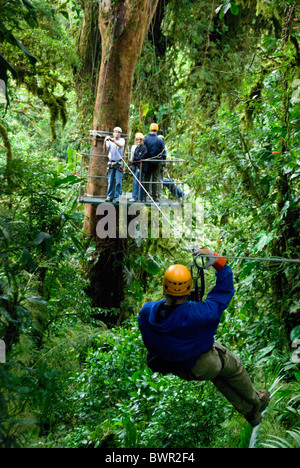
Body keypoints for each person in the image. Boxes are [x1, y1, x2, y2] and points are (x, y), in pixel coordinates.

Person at [138, 248, 270, 427]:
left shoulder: (146, 313)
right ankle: (257, 401)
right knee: (233, 367)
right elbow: (223, 292)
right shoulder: (200, 314)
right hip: (202, 363)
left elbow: (161, 327)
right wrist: (217, 262)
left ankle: (252, 415)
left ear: (164, 287)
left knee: (219, 377)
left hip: (179, 368)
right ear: (189, 288)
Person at [144, 123, 166, 202]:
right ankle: (154, 196)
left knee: (147, 178)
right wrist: (163, 161)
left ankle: (145, 195)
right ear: (157, 130)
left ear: (150, 129)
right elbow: (163, 152)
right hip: (157, 162)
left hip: (147, 162)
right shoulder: (160, 140)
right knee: (155, 179)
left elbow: (143, 150)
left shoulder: (145, 139)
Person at [104, 127, 125, 202]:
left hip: (118, 163)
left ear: (120, 134)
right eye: (115, 132)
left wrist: (114, 140)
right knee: (110, 181)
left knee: (118, 182)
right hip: (111, 162)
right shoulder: (109, 141)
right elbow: (105, 149)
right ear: (113, 133)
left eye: (118, 132)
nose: (117, 133)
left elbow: (121, 145)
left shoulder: (122, 140)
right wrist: (105, 140)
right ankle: (109, 196)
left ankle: (117, 197)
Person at [130, 133, 148, 202]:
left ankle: (140, 197)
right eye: (137, 140)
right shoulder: (136, 148)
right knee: (135, 182)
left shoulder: (144, 148)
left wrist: (134, 159)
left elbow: (141, 157)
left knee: (140, 183)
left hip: (141, 168)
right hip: (136, 168)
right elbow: (135, 158)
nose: (139, 141)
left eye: (140, 140)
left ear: (142, 140)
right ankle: (136, 197)